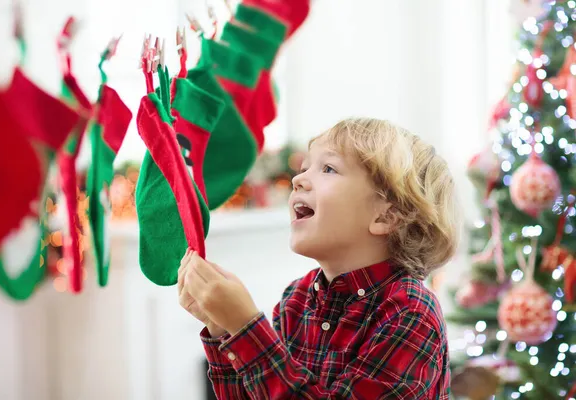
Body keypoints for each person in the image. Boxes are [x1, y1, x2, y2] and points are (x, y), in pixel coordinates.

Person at [178, 117, 459, 399]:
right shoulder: (296, 300)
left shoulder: (410, 314)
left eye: (328, 168)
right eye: (303, 168)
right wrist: (221, 329)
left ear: (385, 216)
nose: (298, 180)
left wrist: (244, 326)